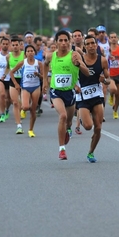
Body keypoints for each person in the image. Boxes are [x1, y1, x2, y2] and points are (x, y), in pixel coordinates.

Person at [42, 30, 89, 160]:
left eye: (65, 40)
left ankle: (67, 129)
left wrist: (79, 64)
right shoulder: (51, 56)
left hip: (70, 92)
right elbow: (45, 65)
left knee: (68, 121)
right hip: (56, 92)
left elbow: (87, 72)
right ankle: (62, 149)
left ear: (69, 41)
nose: (63, 43)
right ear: (56, 42)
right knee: (62, 116)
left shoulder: (75, 55)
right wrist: (45, 81)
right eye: (60, 40)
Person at [77, 35, 110, 162]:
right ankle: (83, 117)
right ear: (85, 47)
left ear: (96, 45)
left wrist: (104, 81)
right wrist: (75, 85)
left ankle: (91, 152)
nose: (91, 46)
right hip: (83, 97)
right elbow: (73, 76)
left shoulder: (102, 61)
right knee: (87, 126)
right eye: (88, 44)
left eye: (93, 43)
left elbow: (108, 79)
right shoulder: (80, 60)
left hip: (97, 96)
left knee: (98, 127)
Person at [9, 44, 43, 137]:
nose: (30, 53)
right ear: (26, 53)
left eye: (32, 51)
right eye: (28, 51)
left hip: (36, 87)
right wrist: (16, 84)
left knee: (33, 110)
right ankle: (23, 110)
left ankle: (31, 130)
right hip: (25, 87)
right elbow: (11, 72)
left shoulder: (39, 63)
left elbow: (43, 76)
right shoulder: (22, 63)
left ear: (34, 52)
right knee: (25, 106)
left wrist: (39, 75)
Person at [4, 37, 25, 134]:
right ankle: (19, 125)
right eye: (13, 45)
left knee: (25, 106)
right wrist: (4, 74)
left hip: (24, 80)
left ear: (20, 45)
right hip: (13, 80)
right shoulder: (8, 56)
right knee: (15, 103)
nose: (15, 47)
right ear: (11, 46)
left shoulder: (24, 55)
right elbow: (8, 67)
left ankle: (23, 109)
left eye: (17, 45)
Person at [0, 37, 11, 122]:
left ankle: (7, 110)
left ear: (9, 45)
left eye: (6, 44)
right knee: (2, 94)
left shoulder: (11, 55)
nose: (5, 45)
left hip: (9, 78)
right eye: (3, 44)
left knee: (8, 98)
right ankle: (2, 114)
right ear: (0, 45)